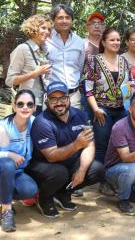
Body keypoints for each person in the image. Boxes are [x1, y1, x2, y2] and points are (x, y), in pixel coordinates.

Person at [27, 81, 104, 218]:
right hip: (43, 165)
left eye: (62, 97)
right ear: (47, 101)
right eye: (53, 99)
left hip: (69, 162)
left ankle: (62, 193)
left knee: (96, 169)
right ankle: (44, 198)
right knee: (59, 173)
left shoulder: (80, 115)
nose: (59, 103)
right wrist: (76, 144)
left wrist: (81, 170)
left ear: (69, 98)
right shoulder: (42, 122)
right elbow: (51, 156)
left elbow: (89, 145)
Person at [83, 28, 130, 163]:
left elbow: (128, 87)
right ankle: (101, 177)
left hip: (122, 110)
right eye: (112, 40)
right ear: (103, 42)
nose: (116, 42)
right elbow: (88, 89)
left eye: (118, 40)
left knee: (121, 143)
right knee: (102, 144)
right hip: (102, 110)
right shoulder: (94, 61)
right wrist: (96, 109)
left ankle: (115, 174)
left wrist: (129, 107)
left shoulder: (124, 61)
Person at [0, 90, 39, 232]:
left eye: (30, 104)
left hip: (18, 172)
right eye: (20, 104)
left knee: (30, 190)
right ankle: (6, 211)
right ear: (14, 106)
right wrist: (10, 154)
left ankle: (3, 197)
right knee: (7, 164)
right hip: (3, 169)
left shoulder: (36, 123)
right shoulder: (3, 127)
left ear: (35, 107)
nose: (25, 107)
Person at [5, 15, 52, 114]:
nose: (47, 32)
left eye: (49, 29)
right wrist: (34, 73)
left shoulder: (44, 50)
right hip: (26, 105)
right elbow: (9, 81)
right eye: (43, 28)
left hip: (42, 104)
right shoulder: (22, 49)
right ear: (33, 28)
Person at [46, 4, 85, 108]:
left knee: (74, 124)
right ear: (53, 20)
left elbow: (79, 67)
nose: (64, 21)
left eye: (67, 18)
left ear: (72, 20)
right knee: (50, 124)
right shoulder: (46, 39)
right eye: (60, 18)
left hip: (73, 96)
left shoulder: (79, 42)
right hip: (52, 95)